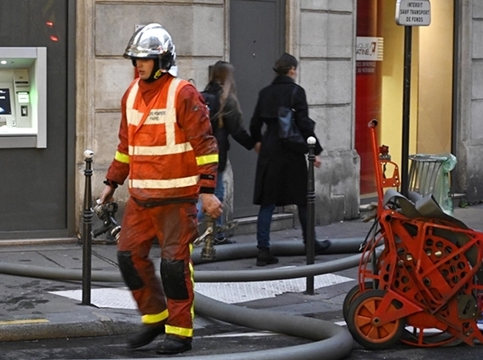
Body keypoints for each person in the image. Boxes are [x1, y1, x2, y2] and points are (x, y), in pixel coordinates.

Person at [98, 23, 222, 355]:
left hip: (177, 200)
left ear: (162, 60)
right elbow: (126, 146)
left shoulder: (183, 93)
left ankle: (179, 332)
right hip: (140, 199)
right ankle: (154, 317)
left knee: (173, 266)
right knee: (127, 257)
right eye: (135, 59)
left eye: (145, 59)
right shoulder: (131, 94)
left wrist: (208, 191)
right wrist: (112, 183)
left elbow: (206, 145)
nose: (138, 64)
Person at [249, 53, 330, 267]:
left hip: (269, 151)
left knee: (267, 203)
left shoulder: (265, 93)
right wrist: (315, 150)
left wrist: (257, 142)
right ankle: (310, 243)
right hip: (292, 153)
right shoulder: (296, 92)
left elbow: (254, 124)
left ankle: (263, 249)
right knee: (303, 201)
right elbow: (303, 123)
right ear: (292, 70)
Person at [197, 61, 256, 244]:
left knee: (212, 195)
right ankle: (183, 230)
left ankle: (218, 234)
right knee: (214, 196)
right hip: (216, 156)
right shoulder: (225, 101)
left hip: (199, 155)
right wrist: (254, 144)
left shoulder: (202, 96)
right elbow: (237, 130)